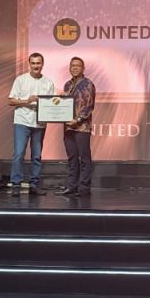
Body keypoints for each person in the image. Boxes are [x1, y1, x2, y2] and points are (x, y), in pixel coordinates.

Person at [7, 53, 56, 196]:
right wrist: (27, 101)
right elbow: (11, 101)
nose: (36, 66)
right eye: (33, 63)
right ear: (29, 64)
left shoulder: (48, 82)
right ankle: (16, 184)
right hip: (22, 121)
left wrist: (61, 103)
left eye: (38, 63)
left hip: (39, 123)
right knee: (19, 154)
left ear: (43, 64)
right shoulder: (21, 80)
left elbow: (52, 104)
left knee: (36, 156)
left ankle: (34, 185)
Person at [58, 57, 95, 197]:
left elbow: (89, 106)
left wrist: (78, 119)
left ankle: (84, 188)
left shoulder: (88, 84)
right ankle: (72, 186)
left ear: (83, 68)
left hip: (82, 127)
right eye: (72, 65)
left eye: (78, 66)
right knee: (72, 158)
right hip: (68, 127)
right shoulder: (67, 85)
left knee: (84, 158)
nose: (74, 68)